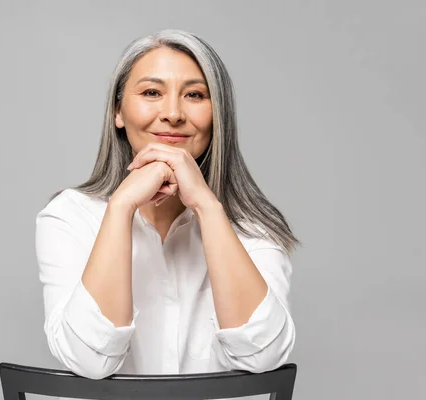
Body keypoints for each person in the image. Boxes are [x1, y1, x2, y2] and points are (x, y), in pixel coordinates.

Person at [35, 29, 300, 380]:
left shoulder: (254, 228)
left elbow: (263, 354)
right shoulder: (69, 217)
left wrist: (206, 206)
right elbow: (89, 360)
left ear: (217, 113)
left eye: (194, 95)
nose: (173, 113)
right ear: (118, 111)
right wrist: (121, 206)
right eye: (151, 92)